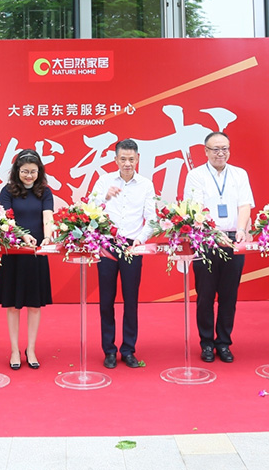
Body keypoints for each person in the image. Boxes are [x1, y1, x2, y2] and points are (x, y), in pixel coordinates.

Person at [183, 131, 254, 364]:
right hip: (206, 240)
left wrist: (241, 229)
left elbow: (245, 205)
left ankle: (223, 342)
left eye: (224, 148)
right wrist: (214, 233)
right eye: (215, 149)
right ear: (206, 151)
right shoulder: (196, 175)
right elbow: (196, 209)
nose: (220, 153)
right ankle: (206, 342)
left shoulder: (239, 174)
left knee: (229, 295)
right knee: (205, 295)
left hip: (234, 240)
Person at [91, 138, 157, 369]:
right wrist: (106, 197)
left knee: (131, 300)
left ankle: (128, 349)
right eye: (123, 159)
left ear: (137, 159)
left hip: (132, 246)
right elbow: (90, 210)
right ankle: (109, 350)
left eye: (131, 159)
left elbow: (152, 219)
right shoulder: (104, 181)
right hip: (107, 245)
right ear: (116, 159)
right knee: (106, 300)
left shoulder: (146, 184)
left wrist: (140, 239)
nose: (127, 163)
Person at [0, 149, 54, 370]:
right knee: (13, 306)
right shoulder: (8, 191)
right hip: (14, 253)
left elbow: (47, 217)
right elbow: (4, 220)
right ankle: (14, 349)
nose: (29, 176)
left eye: (33, 171)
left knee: (34, 306)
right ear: (16, 171)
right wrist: (22, 235)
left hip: (36, 253)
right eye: (25, 171)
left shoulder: (44, 192)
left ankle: (31, 348)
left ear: (39, 171)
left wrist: (47, 236)